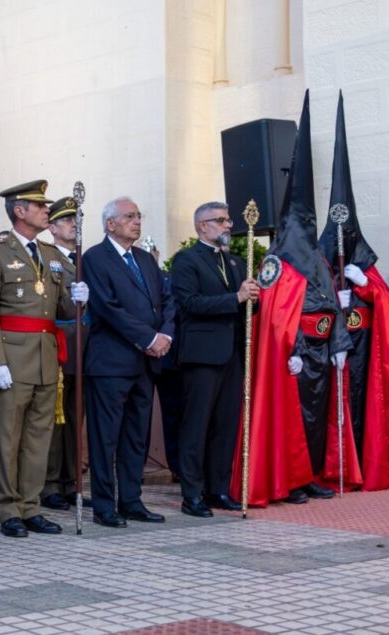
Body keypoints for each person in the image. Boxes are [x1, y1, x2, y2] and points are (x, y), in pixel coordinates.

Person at [234, 92, 350, 506]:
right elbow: (277, 314)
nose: (306, 227)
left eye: (309, 223)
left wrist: (337, 344)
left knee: (317, 419)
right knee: (294, 419)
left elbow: (333, 306)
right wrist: (295, 347)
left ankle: (314, 474)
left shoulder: (318, 259)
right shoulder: (277, 264)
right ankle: (292, 478)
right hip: (295, 353)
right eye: (301, 222)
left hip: (321, 350)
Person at [0, 180, 87, 538]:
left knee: (39, 437)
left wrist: (78, 296)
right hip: (11, 355)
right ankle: (8, 508)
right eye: (40, 206)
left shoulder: (52, 256)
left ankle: (31, 505)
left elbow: (62, 309)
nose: (46, 212)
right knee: (8, 436)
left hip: (45, 358)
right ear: (19, 211)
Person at [317, 93, 389, 491]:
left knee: (364, 406)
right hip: (330, 348)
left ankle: (366, 465)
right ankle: (335, 468)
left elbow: (386, 301)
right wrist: (335, 299)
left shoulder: (365, 265)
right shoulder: (319, 264)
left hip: (365, 349)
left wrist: (366, 287)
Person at [83, 196, 174, 528]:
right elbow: (108, 308)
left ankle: (132, 500)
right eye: (130, 216)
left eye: (139, 215)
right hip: (110, 362)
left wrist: (165, 335)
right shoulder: (95, 257)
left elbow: (166, 300)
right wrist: (149, 338)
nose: (137, 221)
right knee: (106, 436)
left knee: (137, 437)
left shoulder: (145, 259)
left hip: (145, 364)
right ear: (110, 223)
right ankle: (104, 505)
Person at [169, 202, 257, 517]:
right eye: (219, 220)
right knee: (197, 425)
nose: (227, 225)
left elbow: (244, 306)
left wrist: (255, 297)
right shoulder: (186, 260)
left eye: (228, 220)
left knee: (226, 424)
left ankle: (217, 489)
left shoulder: (235, 262)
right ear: (201, 226)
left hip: (232, 353)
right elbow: (190, 303)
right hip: (202, 356)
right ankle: (192, 494)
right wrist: (235, 298)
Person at [41, 196, 88, 511]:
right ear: (53, 227)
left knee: (75, 418)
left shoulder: (85, 257)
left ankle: (73, 482)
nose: (74, 225)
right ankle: (50, 484)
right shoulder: (47, 257)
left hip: (85, 346)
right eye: (68, 220)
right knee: (54, 419)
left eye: (77, 219)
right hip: (60, 343)